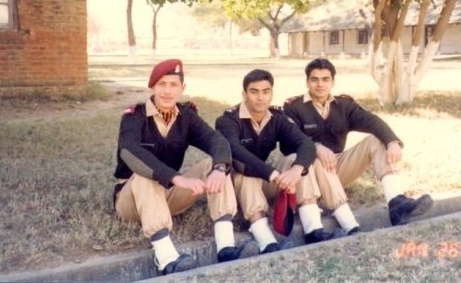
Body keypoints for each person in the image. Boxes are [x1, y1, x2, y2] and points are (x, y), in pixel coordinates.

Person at [113, 59, 259, 276]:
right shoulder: (135, 116)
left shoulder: (186, 115)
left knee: (214, 164)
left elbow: (216, 140)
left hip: (167, 196)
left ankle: (226, 248)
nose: (167, 91)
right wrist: (176, 178)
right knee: (145, 175)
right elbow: (130, 150)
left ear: (182, 88)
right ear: (152, 87)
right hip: (133, 200)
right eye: (162, 84)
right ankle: (167, 260)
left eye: (173, 85)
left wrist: (219, 169)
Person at [283, 58, 433, 235]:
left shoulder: (344, 105)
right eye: (314, 79)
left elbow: (372, 122)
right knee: (304, 159)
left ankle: (397, 203)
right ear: (307, 82)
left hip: (336, 167)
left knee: (377, 140)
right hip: (308, 173)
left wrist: (392, 142)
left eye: (325, 79)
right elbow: (288, 142)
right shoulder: (293, 107)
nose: (320, 84)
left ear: (333, 82)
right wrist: (315, 146)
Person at [215, 69, 344, 254]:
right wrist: (273, 174)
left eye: (266, 91)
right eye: (254, 92)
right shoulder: (227, 120)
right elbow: (237, 152)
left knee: (296, 161)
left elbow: (305, 144)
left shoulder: (277, 117)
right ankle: (267, 242)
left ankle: (314, 231)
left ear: (271, 94)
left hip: (265, 180)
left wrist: (296, 170)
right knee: (246, 174)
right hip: (236, 183)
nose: (260, 97)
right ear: (244, 95)